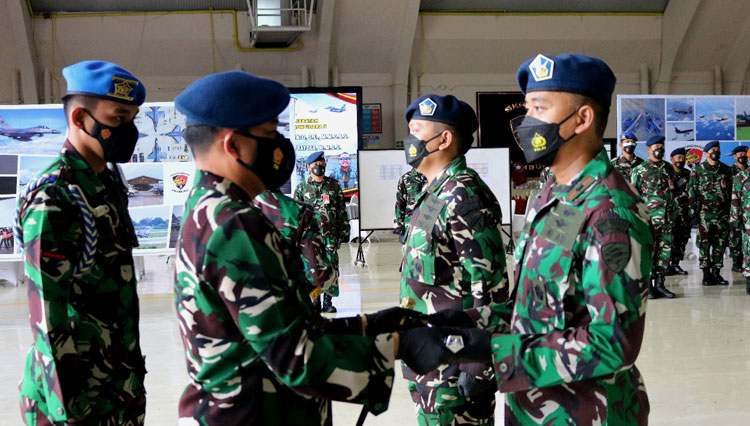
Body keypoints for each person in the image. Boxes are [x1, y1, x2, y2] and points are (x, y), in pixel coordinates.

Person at [399, 53, 654, 425]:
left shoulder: (610, 211)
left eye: (539, 108)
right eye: (527, 107)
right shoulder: (551, 193)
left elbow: (613, 343)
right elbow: (535, 306)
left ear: (582, 119)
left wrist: (492, 350)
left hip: (587, 413)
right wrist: (468, 321)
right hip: (533, 407)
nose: (527, 122)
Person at [172, 70, 437, 425]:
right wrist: (400, 347)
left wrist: (369, 325)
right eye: (268, 135)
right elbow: (298, 357)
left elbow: (279, 326)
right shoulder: (235, 225)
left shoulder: (204, 210)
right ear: (233, 145)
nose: (279, 148)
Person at [16, 61, 147, 425]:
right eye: (119, 118)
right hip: (76, 399)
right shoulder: (54, 196)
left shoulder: (107, 181)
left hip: (118, 385)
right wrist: (72, 411)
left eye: (133, 118)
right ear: (79, 118)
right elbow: (47, 316)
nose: (129, 130)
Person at [400, 94, 508, 425]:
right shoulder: (434, 194)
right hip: (428, 361)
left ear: (443, 139)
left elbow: (489, 286)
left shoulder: (465, 195)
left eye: (417, 130)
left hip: (454, 371)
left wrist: (478, 367)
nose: (410, 140)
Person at [253, 189, 338, 300]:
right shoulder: (299, 212)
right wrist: (333, 283)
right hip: (283, 302)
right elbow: (316, 275)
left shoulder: (227, 208)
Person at [295, 151, 349, 313]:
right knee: (312, 268)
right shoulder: (302, 188)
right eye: (315, 164)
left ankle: (328, 302)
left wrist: (345, 229)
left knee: (331, 268)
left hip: (330, 236)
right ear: (308, 167)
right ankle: (315, 300)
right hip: (311, 238)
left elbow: (341, 209)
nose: (319, 166)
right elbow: (297, 214)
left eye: (321, 163)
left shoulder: (334, 185)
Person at [631, 135, 677, 298]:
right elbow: (633, 196)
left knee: (665, 252)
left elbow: (674, 192)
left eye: (661, 145)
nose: (659, 148)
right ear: (649, 149)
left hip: (668, 218)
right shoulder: (639, 170)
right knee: (648, 251)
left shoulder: (669, 168)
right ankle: (648, 286)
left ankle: (660, 284)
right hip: (648, 219)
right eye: (656, 145)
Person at [688, 141, 733, 286]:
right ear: (706, 153)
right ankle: (706, 274)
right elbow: (692, 192)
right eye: (713, 150)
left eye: (717, 149)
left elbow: (732, 192)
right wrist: (693, 213)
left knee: (720, 244)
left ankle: (717, 273)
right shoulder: (698, 170)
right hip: (704, 214)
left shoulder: (726, 170)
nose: (716, 152)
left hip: (722, 214)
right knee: (704, 245)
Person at [669, 147, 691, 275]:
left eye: (683, 158)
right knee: (668, 240)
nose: (681, 160)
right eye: (678, 158)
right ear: (672, 159)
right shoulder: (667, 173)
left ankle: (676, 264)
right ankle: (665, 266)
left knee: (681, 239)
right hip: (670, 213)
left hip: (684, 213)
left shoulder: (688, 174)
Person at [730, 164, 750, 293]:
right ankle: (749, 278)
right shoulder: (741, 176)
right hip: (748, 221)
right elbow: (735, 198)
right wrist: (735, 218)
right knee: (748, 249)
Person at [393, 167, 426, 244]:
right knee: (409, 252)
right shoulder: (406, 178)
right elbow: (400, 203)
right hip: (409, 225)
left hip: (428, 224)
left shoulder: (432, 177)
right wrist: (398, 226)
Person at [728, 146, 748, 272]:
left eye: (744, 153)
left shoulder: (748, 171)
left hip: (747, 209)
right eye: (739, 154)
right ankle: (736, 261)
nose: (742, 156)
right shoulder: (728, 171)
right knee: (734, 235)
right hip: (732, 208)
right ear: (734, 156)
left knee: (746, 238)